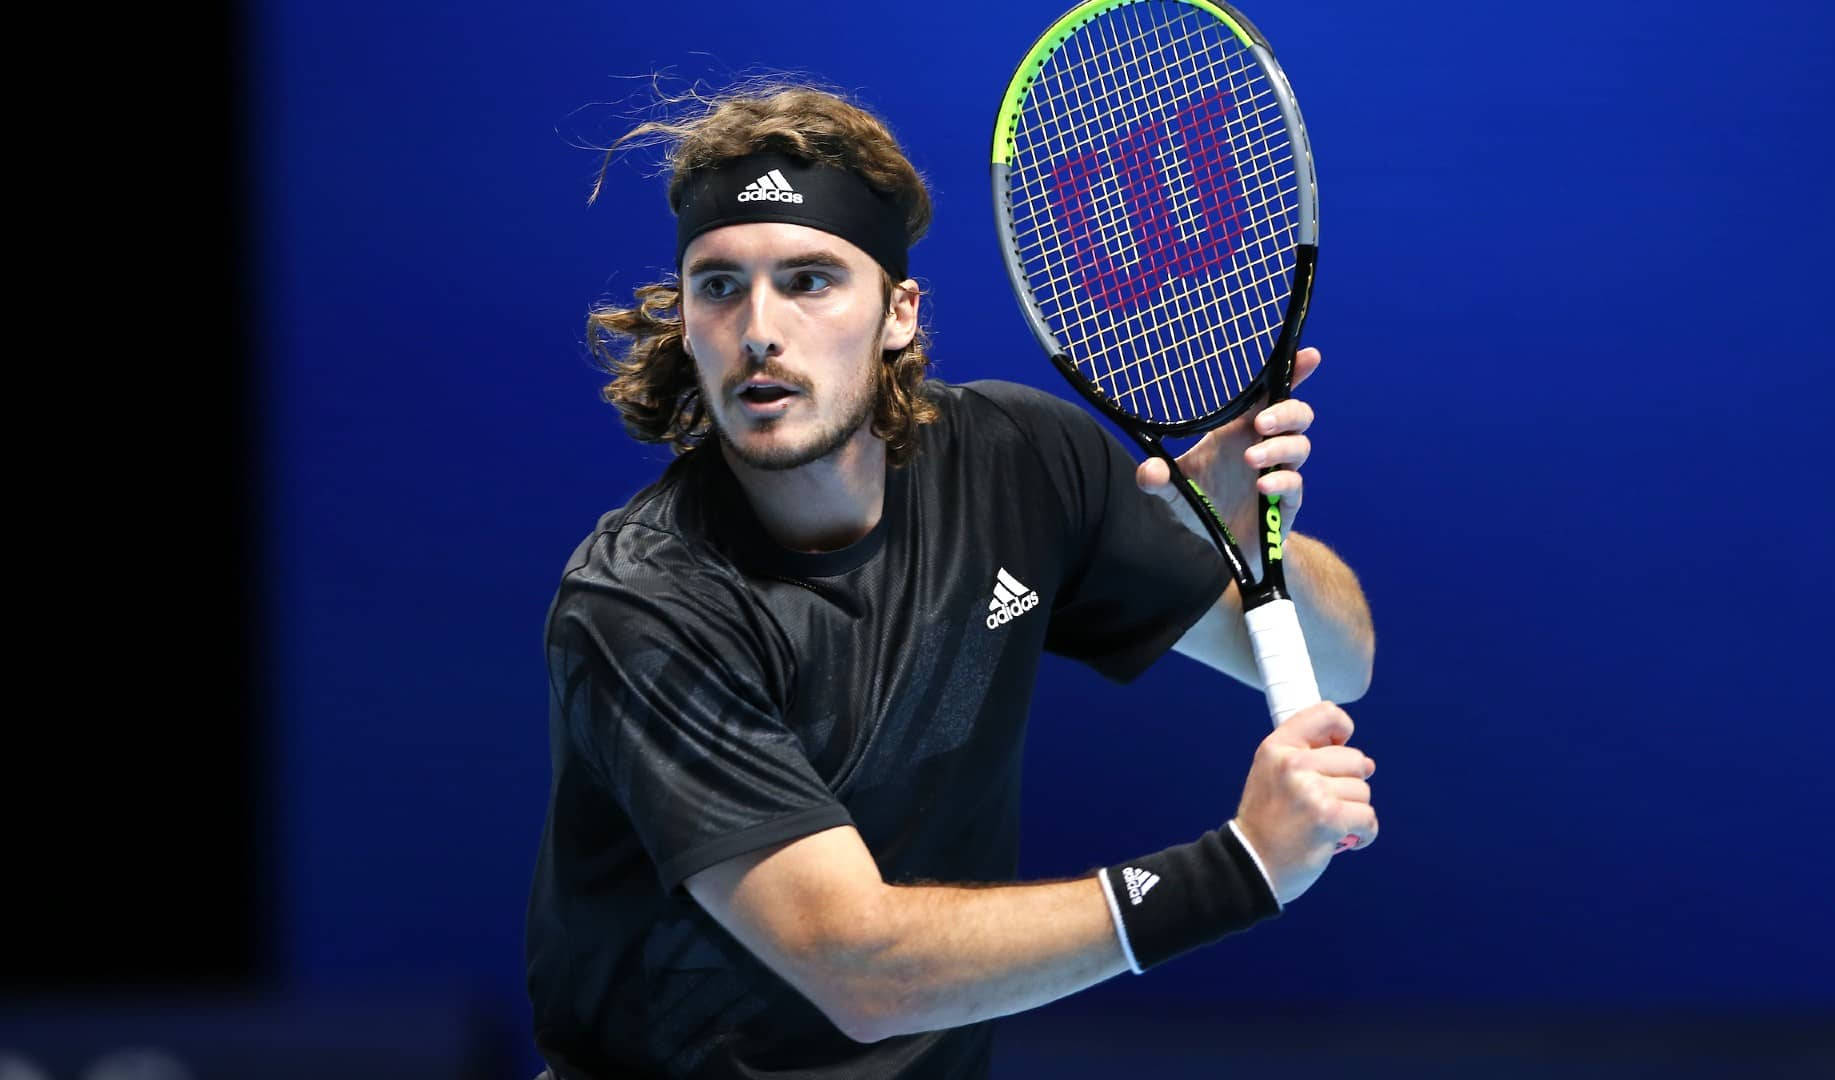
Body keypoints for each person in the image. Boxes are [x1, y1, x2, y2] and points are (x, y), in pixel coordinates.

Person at [527, 84, 1379, 1080]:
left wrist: (1246, 548)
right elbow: (858, 965)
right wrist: (1239, 869)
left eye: (809, 280)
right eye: (719, 286)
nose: (760, 328)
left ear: (897, 313)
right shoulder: (642, 604)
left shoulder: (1020, 463)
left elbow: (1343, 665)